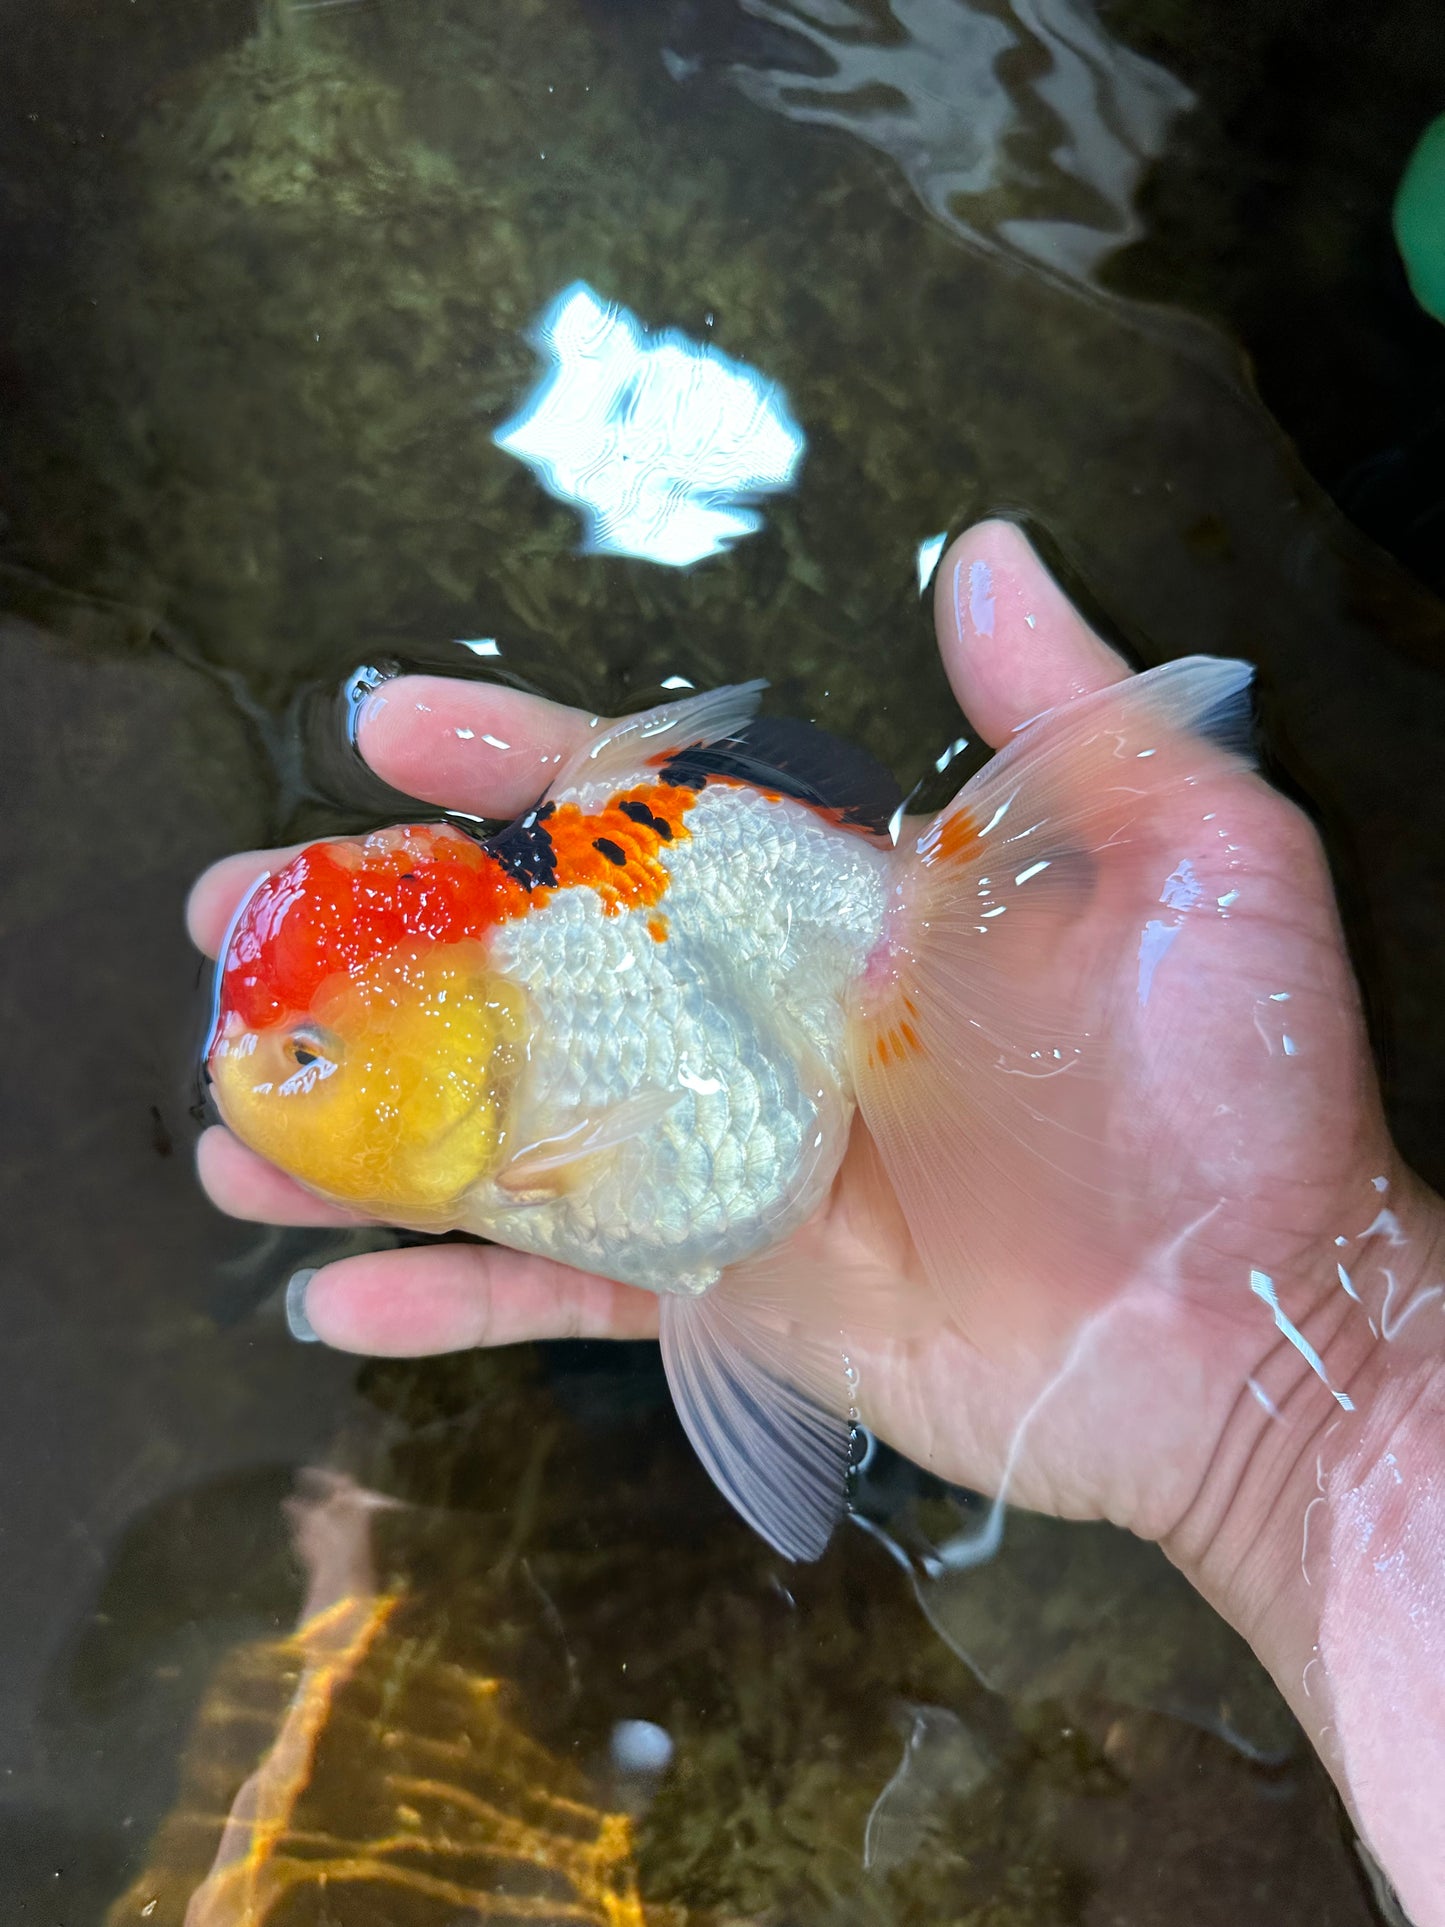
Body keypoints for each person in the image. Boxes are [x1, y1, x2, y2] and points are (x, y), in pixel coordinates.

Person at [188, 520, 1445, 1926]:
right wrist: (1319, 1409)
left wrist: (1321, 1410)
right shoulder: (501, 1075)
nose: (253, 1081)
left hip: (759, 919)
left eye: (300, 1054)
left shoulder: (543, 1053)